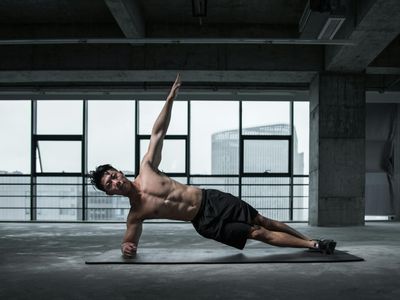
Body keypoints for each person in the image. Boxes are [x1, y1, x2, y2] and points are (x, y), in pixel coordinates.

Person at [89, 74, 336, 257]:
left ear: (119, 172)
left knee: (264, 221)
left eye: (112, 175)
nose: (115, 182)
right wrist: (125, 248)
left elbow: (158, 132)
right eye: (109, 184)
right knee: (256, 233)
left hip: (212, 199)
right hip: (205, 222)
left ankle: (311, 241)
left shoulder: (147, 169)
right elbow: (129, 241)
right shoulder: (136, 214)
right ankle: (314, 245)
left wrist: (171, 98)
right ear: (110, 193)